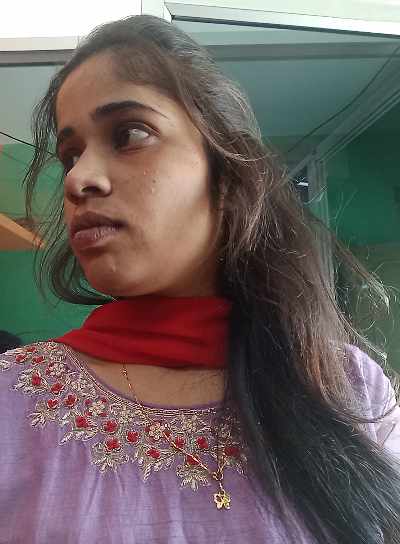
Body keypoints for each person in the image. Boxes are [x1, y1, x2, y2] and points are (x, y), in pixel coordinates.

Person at [1, 14, 399, 544]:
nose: (77, 179)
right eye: (71, 154)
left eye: (129, 134)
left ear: (225, 175)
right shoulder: (10, 400)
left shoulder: (347, 388)